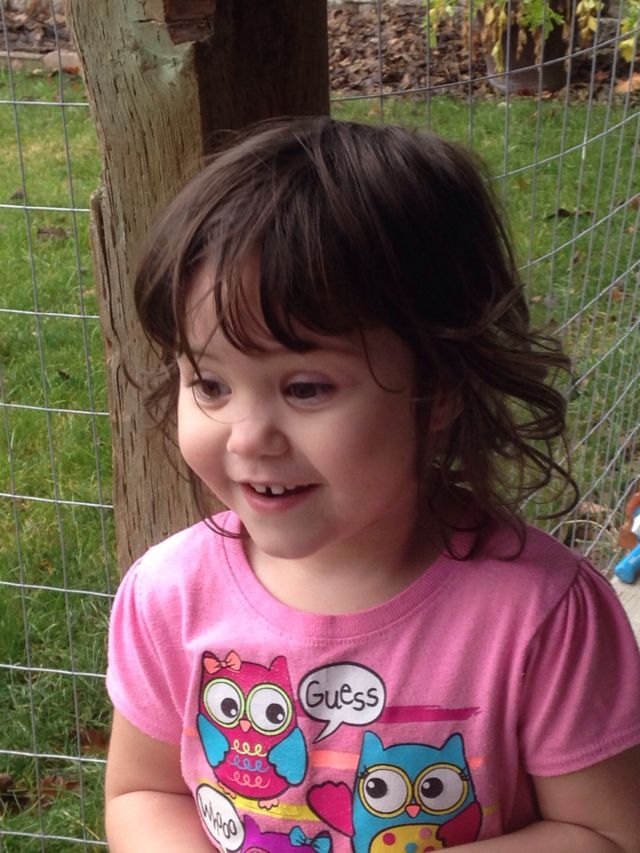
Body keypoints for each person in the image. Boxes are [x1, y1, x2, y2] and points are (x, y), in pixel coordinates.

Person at [104, 117, 640, 853]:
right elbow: (144, 792)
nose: (247, 436)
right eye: (211, 384)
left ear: (439, 385)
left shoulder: (542, 618)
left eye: (306, 387)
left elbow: (605, 832)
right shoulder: (169, 596)